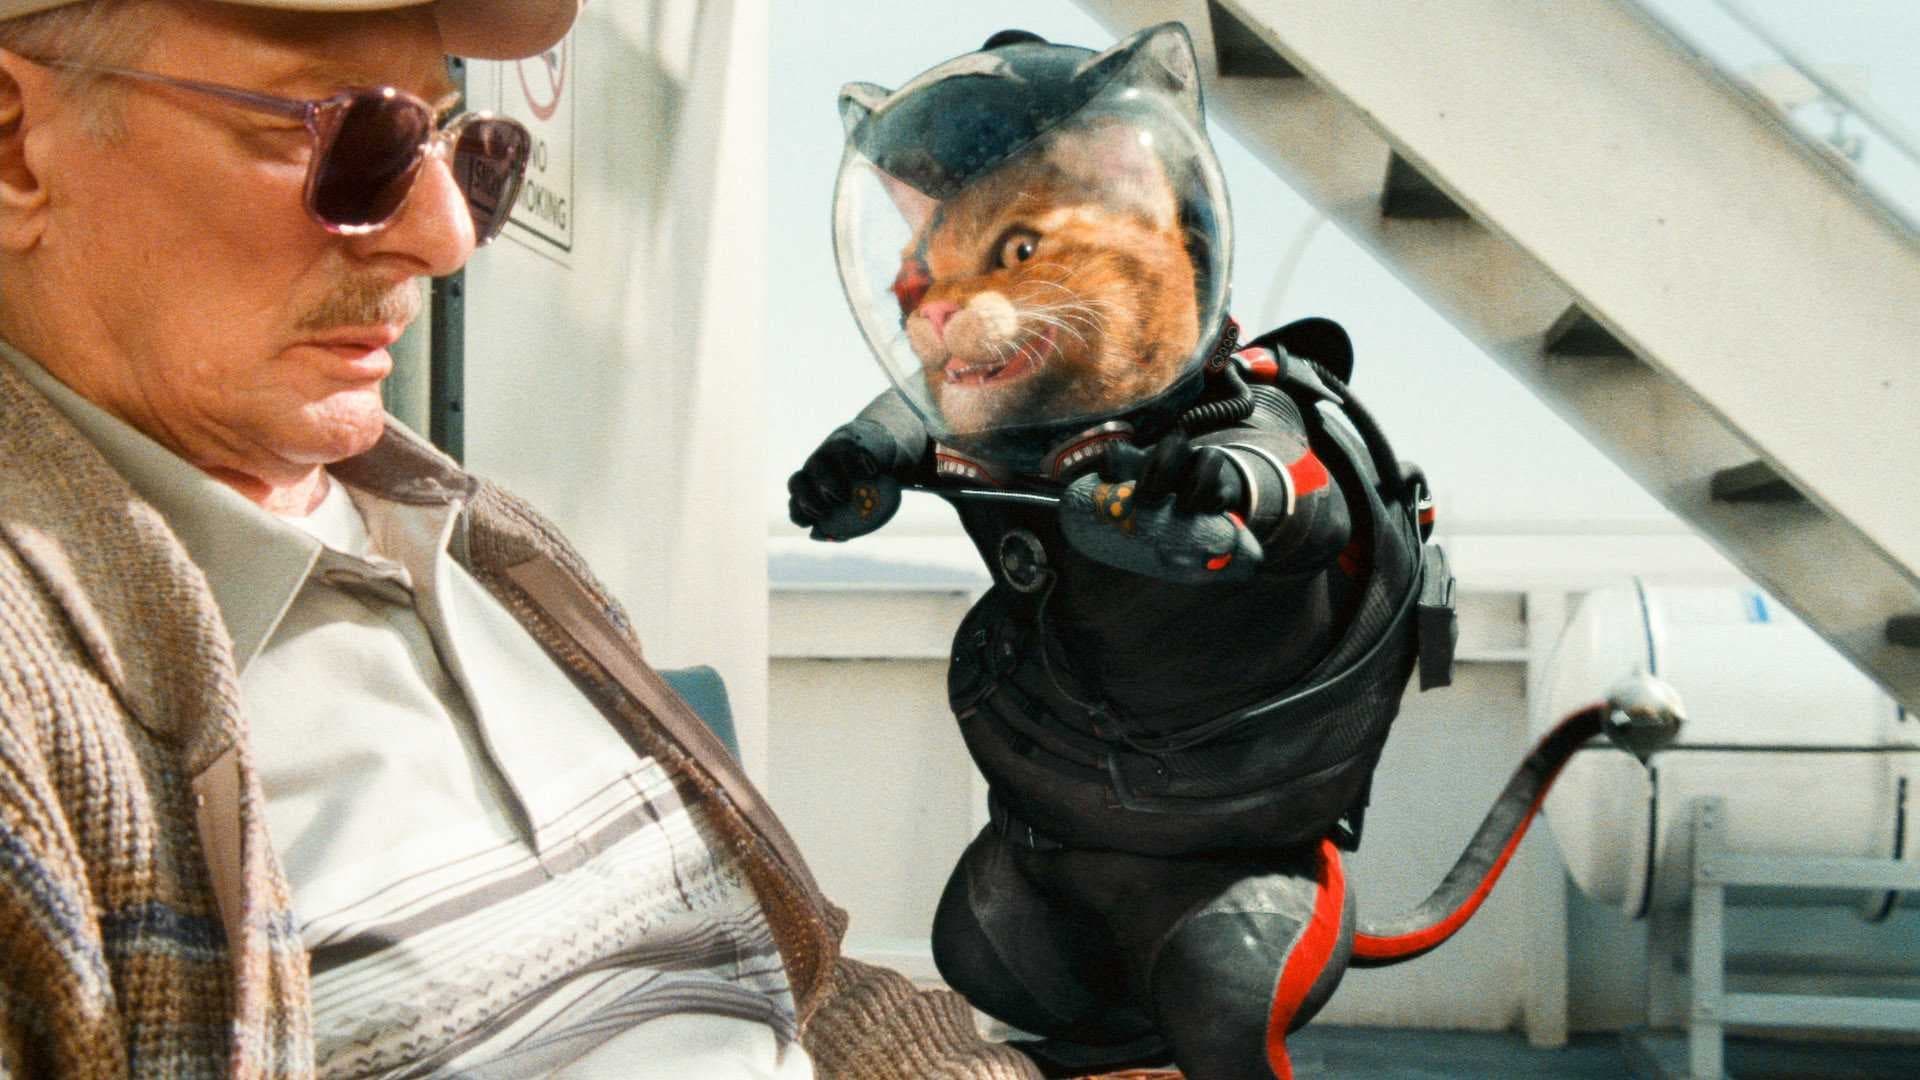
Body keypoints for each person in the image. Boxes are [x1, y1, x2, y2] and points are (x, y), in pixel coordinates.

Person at [0, 1, 1039, 1077]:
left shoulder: (488, 544)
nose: (447, 235)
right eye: (353, 139)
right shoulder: (31, 709)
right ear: (18, 148)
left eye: (465, 150)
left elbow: (791, 976)